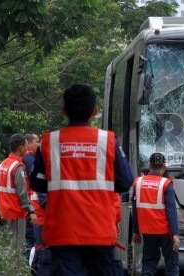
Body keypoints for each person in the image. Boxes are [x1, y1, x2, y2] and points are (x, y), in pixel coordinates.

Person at [30, 84, 134, 275]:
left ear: (64, 111)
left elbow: (37, 183)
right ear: (94, 111)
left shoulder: (49, 141)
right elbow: (125, 182)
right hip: (100, 230)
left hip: (62, 232)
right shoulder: (108, 140)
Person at [132, 153, 180, 276]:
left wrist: (136, 231)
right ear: (163, 167)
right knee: (172, 266)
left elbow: (135, 209)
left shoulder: (138, 182)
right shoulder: (166, 183)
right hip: (165, 232)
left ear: (149, 165)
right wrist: (175, 234)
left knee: (148, 264)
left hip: (148, 232)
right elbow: (171, 210)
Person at [0, 134, 38, 252]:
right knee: (17, 248)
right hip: (16, 213)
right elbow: (22, 193)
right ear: (20, 148)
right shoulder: (18, 166)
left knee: (7, 245)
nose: (26, 149)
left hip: (4, 211)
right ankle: (15, 271)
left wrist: (3, 202)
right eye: (25, 146)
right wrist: (31, 211)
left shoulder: (3, 164)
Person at [23, 133, 40, 262]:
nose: (38, 144)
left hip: (30, 205)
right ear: (28, 143)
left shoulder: (31, 158)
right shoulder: (29, 159)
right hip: (32, 207)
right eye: (36, 141)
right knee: (31, 241)